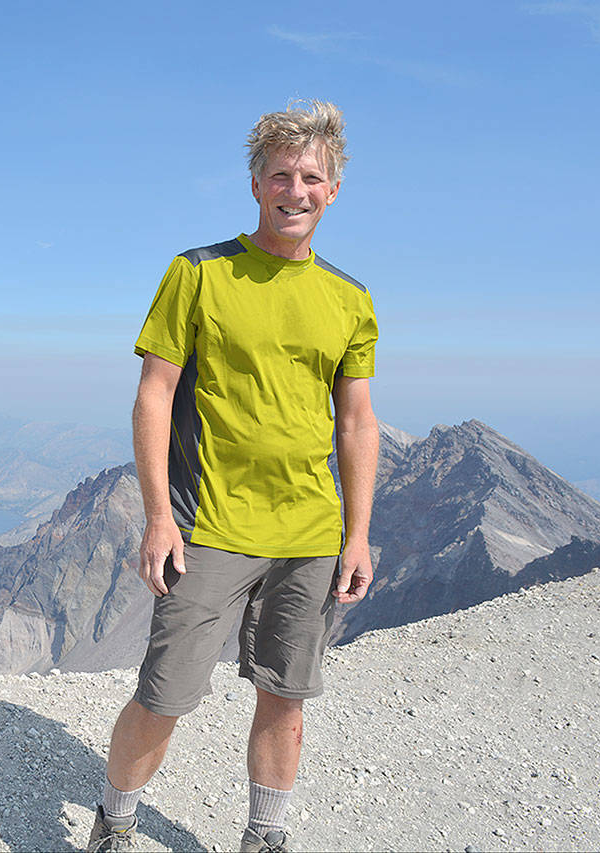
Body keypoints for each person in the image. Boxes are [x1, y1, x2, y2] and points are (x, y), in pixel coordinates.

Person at [86, 100, 379, 853]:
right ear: (256, 183)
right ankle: (115, 825)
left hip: (309, 534)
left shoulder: (350, 299)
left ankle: (264, 837)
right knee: (163, 697)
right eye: (281, 174)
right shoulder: (197, 273)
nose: (296, 189)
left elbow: (356, 422)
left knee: (286, 699)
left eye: (312, 176)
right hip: (210, 525)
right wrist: (158, 516)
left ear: (334, 190)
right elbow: (154, 394)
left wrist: (357, 535)